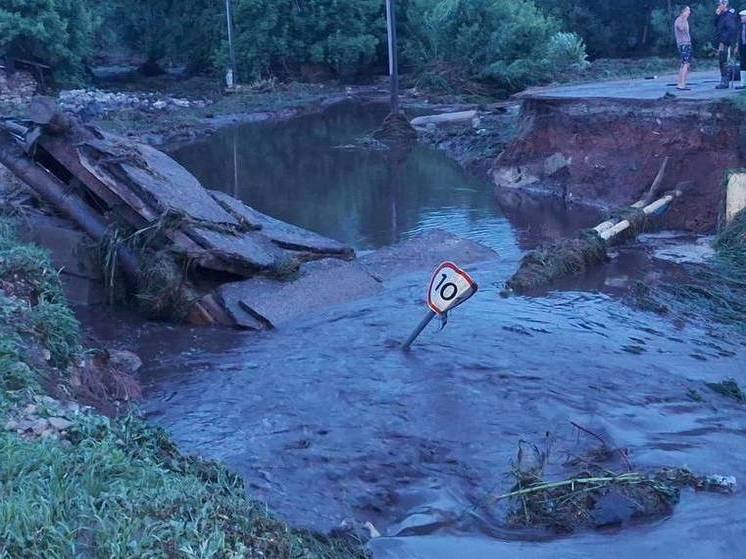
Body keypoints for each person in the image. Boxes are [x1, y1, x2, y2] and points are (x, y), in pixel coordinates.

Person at [715, 0, 739, 89]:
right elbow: (715, 24)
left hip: (726, 42)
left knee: (725, 61)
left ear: (725, 4)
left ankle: (725, 82)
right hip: (722, 41)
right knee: (721, 61)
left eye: (720, 4)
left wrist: (724, 42)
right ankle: (723, 80)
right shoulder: (722, 14)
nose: (718, 6)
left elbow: (731, 29)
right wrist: (717, 15)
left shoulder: (729, 15)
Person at [675, 6, 693, 90]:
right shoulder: (679, 19)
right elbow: (681, 28)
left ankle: (681, 82)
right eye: (688, 10)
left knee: (685, 64)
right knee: (685, 63)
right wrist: (684, 18)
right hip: (683, 44)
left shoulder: (685, 20)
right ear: (683, 11)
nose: (689, 12)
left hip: (687, 43)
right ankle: (681, 84)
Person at [736, 10, 746, 88]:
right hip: (742, 46)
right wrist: (737, 46)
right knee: (742, 64)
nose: (741, 18)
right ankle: (743, 83)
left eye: (743, 16)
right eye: (741, 16)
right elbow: (739, 37)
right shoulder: (740, 26)